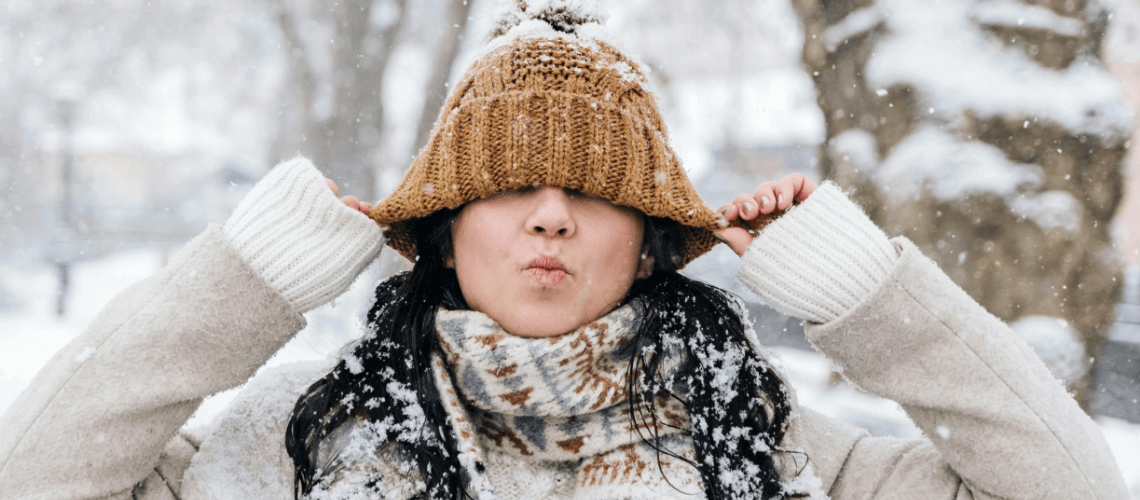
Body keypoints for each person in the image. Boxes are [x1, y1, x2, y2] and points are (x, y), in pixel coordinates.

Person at [0, 3, 1129, 500]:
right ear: (445, 226)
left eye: (592, 191)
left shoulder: (771, 447)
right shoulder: (292, 440)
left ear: (649, 240)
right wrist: (247, 280)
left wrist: (866, 295)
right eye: (507, 188)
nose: (550, 216)